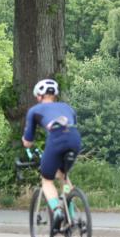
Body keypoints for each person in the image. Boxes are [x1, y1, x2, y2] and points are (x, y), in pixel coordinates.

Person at [21, 78, 82, 229]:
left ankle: (57, 211)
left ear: (39, 96)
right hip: (75, 139)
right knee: (64, 176)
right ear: (55, 95)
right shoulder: (68, 107)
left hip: (56, 139)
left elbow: (28, 141)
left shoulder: (34, 110)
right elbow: (72, 124)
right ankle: (72, 215)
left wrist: (26, 141)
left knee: (47, 179)